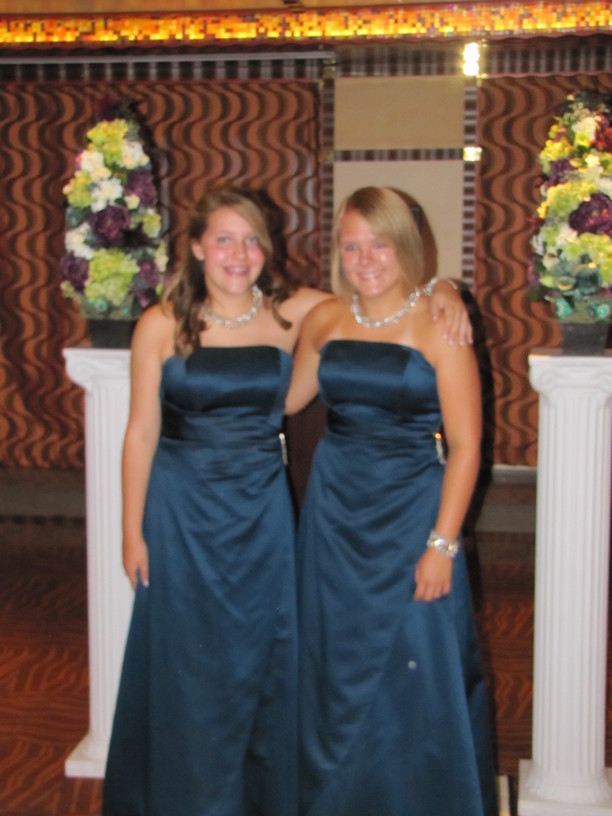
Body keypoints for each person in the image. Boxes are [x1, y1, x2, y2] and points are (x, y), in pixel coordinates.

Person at [101, 184, 470, 816]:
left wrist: (445, 289)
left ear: (268, 250)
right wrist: (130, 530)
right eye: (223, 239)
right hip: (184, 511)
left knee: (264, 655)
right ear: (196, 247)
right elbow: (141, 433)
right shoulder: (160, 324)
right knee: (189, 660)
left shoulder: (293, 310)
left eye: (252, 240)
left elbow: (377, 297)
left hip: (263, 510)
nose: (238, 253)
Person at [286, 186, 498, 816]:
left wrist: (442, 544)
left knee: (417, 659)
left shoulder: (440, 323)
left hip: (412, 515)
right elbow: (287, 400)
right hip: (334, 515)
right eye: (351, 246)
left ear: (405, 245)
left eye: (378, 244)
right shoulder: (326, 320)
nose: (365, 259)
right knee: (335, 660)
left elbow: (466, 447)